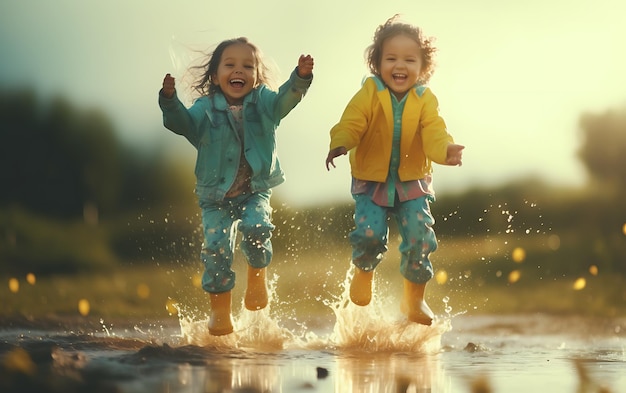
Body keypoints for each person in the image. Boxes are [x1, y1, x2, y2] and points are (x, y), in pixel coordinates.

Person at [159, 37, 314, 335]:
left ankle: (257, 282)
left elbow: (286, 99)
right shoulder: (205, 109)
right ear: (216, 76)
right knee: (216, 251)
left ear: (256, 75)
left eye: (247, 65)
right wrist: (170, 101)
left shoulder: (264, 103)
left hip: (254, 190)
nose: (238, 71)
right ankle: (220, 313)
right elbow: (182, 124)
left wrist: (301, 78)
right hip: (215, 198)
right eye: (230, 65)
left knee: (258, 228)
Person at [325, 16, 463, 326]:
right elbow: (353, 121)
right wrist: (341, 143)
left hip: (412, 181)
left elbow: (434, 132)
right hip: (371, 181)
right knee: (370, 234)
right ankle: (363, 272)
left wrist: (445, 150)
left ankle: (414, 301)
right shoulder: (370, 93)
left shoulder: (424, 99)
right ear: (377, 63)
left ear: (422, 67)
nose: (399, 65)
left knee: (419, 238)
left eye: (409, 60)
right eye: (391, 58)